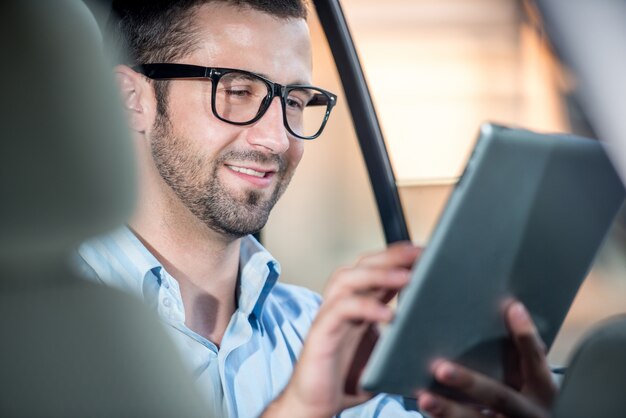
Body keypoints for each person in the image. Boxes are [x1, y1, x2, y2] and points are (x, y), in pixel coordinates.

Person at [77, 1, 423, 417]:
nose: (277, 140)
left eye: (294, 101)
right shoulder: (33, 331)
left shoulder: (321, 334)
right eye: (238, 92)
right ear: (132, 99)